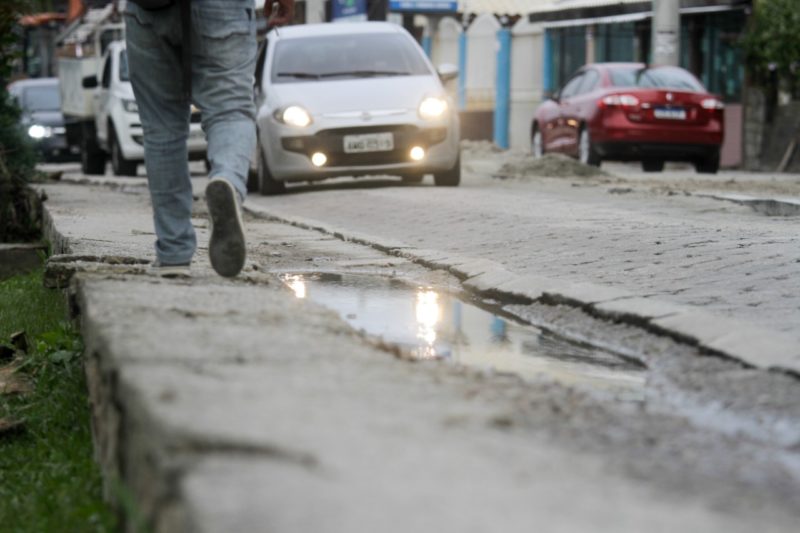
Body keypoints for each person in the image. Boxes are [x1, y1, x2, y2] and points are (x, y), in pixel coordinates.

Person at [124, 0, 294, 278]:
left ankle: (174, 252)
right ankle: (228, 181)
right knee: (231, 111)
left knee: (161, 130)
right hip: (223, 8)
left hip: (149, 9)